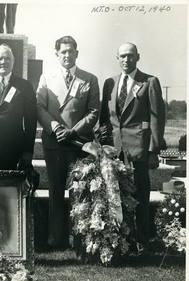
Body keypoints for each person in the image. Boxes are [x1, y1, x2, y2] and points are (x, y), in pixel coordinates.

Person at [99, 42, 165, 255]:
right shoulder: (110, 83)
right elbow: (105, 118)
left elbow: (157, 118)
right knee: (115, 198)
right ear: (116, 58)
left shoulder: (149, 82)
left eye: (130, 56)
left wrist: (154, 150)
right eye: (122, 56)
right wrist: (103, 145)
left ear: (138, 57)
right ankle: (119, 242)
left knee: (140, 199)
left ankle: (142, 243)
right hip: (114, 151)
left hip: (139, 151)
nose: (126, 60)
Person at [36, 35, 100, 249]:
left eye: (70, 51)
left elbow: (93, 112)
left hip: (78, 143)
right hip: (54, 142)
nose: (66, 55)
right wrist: (56, 128)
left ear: (76, 53)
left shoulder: (89, 79)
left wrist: (73, 132)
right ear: (56, 54)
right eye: (62, 51)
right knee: (55, 191)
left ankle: (78, 239)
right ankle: (55, 239)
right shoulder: (46, 77)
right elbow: (39, 108)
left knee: (78, 192)